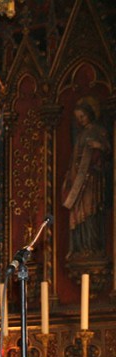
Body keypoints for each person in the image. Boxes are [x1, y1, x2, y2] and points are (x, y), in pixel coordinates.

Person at [62, 98, 111, 258]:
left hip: (91, 180)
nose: (80, 120)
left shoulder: (99, 130)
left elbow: (108, 151)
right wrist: (70, 176)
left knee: (90, 210)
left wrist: (99, 146)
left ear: (90, 114)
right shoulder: (81, 135)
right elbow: (74, 158)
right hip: (78, 179)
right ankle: (79, 247)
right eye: (78, 118)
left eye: (82, 116)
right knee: (78, 212)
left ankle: (92, 247)